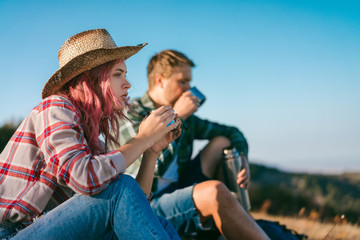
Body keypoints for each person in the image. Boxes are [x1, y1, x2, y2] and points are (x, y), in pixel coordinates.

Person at [0, 29, 182, 240]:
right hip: (10, 234)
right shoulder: (55, 108)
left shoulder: (89, 135)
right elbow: (86, 178)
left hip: (40, 229)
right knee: (121, 186)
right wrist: (142, 139)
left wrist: (151, 152)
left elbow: (133, 206)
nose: (128, 83)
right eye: (117, 74)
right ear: (91, 79)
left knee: (160, 224)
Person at [118, 50, 270, 240]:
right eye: (182, 81)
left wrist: (242, 155)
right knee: (214, 192)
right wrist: (177, 116)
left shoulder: (188, 118)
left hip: (179, 188)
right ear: (160, 80)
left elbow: (233, 132)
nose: (188, 88)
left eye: (189, 82)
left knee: (223, 143)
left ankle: (238, 220)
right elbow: (150, 167)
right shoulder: (131, 114)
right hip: (148, 202)